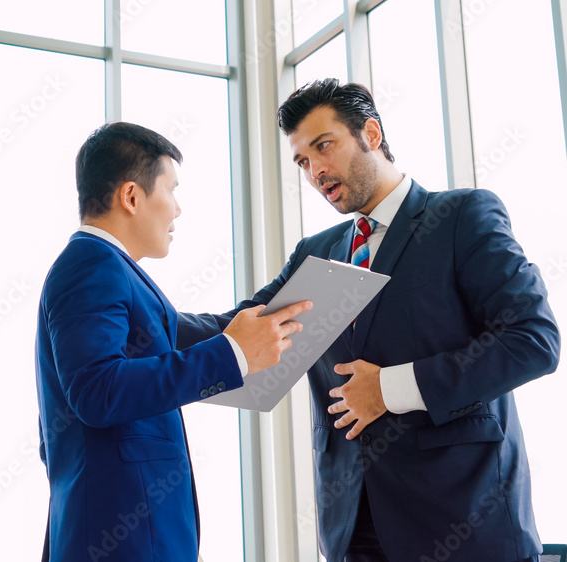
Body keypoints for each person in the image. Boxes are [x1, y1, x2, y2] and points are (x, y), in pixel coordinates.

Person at [184, 78, 560, 561]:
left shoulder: (463, 216)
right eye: (302, 161)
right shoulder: (316, 252)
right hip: (352, 526)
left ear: (372, 135)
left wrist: (389, 389)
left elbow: (533, 340)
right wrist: (137, 309)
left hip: (462, 519)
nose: (316, 170)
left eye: (324, 146)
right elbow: (242, 324)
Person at [35, 122, 311, 561]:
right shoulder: (92, 266)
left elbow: (213, 327)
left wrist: (297, 279)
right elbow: (96, 390)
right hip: (119, 540)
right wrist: (233, 354)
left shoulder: (113, 272)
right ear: (131, 196)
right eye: (171, 189)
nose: (178, 209)